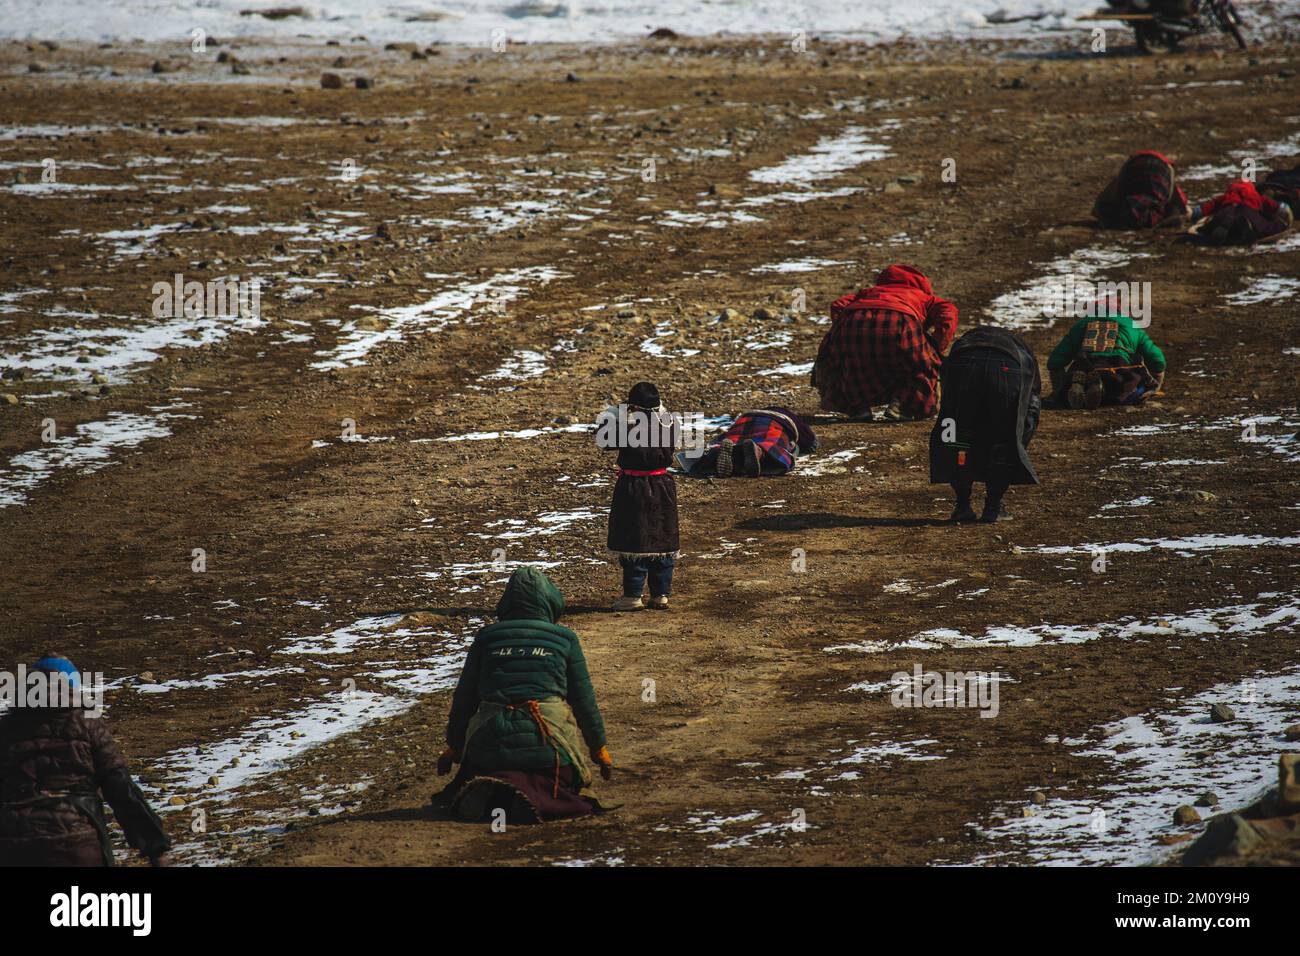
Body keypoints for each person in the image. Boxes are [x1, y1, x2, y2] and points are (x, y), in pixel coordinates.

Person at [433, 567, 613, 823]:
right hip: (550, 739)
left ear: (506, 602)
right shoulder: (564, 639)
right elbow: (584, 701)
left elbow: (465, 699)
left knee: (482, 769)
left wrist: (454, 747)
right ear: (551, 601)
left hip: (490, 744)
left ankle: (493, 793)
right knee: (562, 778)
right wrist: (598, 749)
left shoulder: (487, 638)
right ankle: (538, 798)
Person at [0, 656, 171, 867]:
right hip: (77, 841)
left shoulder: (6, 729)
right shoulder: (87, 723)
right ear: (73, 686)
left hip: (14, 843)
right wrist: (156, 846)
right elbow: (120, 788)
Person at [812, 264, 958, 422]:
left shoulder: (869, 292)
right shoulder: (922, 296)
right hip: (900, 322)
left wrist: (850, 329)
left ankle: (857, 407)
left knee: (852, 365)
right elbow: (948, 311)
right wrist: (937, 345)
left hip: (853, 319)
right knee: (924, 365)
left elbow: (838, 304)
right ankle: (903, 406)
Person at [929, 327, 1041, 523]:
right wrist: (1019, 441)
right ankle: (993, 506)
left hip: (962, 364)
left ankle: (963, 505)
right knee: (1004, 438)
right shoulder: (1021, 346)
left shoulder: (966, 343)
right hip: (1008, 366)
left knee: (959, 437)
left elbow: (948, 407)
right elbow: (1031, 405)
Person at [596, 382, 679, 612]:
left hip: (634, 487)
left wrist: (615, 413)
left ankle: (633, 596)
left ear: (633, 405)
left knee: (635, 539)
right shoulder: (670, 422)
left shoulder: (628, 426)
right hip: (663, 485)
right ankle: (661, 594)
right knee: (662, 538)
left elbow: (604, 441)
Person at [1047, 309, 1166, 408]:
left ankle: (1076, 388)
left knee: (1066, 387)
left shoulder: (1081, 324)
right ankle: (1102, 391)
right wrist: (1157, 378)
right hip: (1119, 369)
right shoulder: (1131, 325)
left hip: (1085, 364)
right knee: (1132, 391)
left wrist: (1058, 387)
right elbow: (1157, 360)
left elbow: (1055, 361)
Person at [680, 406, 818, 477]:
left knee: (733, 439)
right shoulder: (788, 416)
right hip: (774, 424)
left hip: (744, 422)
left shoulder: (749, 413)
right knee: (770, 443)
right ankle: (759, 452)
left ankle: (719, 451)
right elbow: (810, 442)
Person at [1092, 151, 1190, 229]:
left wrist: (1099, 209)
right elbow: (1179, 198)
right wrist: (1184, 211)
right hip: (1160, 168)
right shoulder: (1168, 170)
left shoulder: (1130, 165)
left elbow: (1112, 190)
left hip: (1134, 165)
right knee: (1157, 202)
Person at [1188, 178, 1294, 245]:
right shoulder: (1255, 195)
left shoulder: (1227, 195)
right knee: (1265, 226)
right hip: (1247, 212)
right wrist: (1284, 222)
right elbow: (1275, 206)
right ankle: (1247, 230)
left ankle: (1218, 228)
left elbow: (1208, 207)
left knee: (1211, 225)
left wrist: (1195, 214)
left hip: (1226, 211)